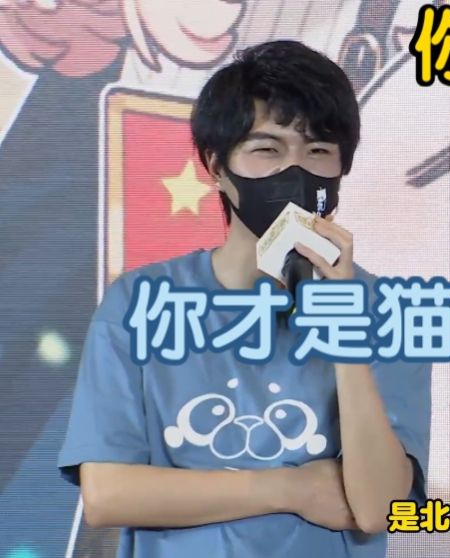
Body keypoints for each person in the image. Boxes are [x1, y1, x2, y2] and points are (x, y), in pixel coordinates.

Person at [56, 40, 431, 558]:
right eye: (267, 150)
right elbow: (107, 494)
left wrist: (342, 317)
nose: (294, 173)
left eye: (318, 151)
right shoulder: (141, 303)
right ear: (217, 166)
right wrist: (289, 489)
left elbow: (379, 509)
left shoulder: (387, 314)